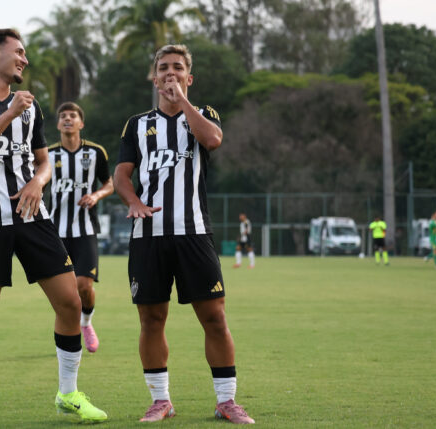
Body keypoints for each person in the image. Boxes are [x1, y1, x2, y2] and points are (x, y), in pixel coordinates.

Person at [0, 29, 107, 426]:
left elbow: (43, 160)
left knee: (71, 302)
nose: (25, 60)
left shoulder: (30, 108)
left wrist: (39, 181)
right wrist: (9, 113)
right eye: (19, 52)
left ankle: (68, 394)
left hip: (34, 219)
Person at [113, 44, 254, 424]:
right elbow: (121, 176)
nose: (170, 73)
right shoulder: (137, 125)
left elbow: (213, 140)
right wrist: (133, 202)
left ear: (188, 78)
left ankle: (226, 401)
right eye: (163, 68)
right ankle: (161, 400)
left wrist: (184, 103)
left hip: (194, 233)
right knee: (152, 319)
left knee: (214, 318)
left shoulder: (203, 114)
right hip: (148, 236)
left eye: (178, 68)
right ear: (154, 77)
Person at [47, 101, 114, 353]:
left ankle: (86, 323)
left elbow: (109, 183)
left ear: (81, 123)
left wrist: (96, 196)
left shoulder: (96, 152)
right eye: (63, 116)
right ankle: (67, 336)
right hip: (56, 233)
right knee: (64, 293)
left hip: (85, 230)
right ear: (57, 124)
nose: (67, 119)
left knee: (84, 286)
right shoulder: (48, 155)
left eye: (72, 116)